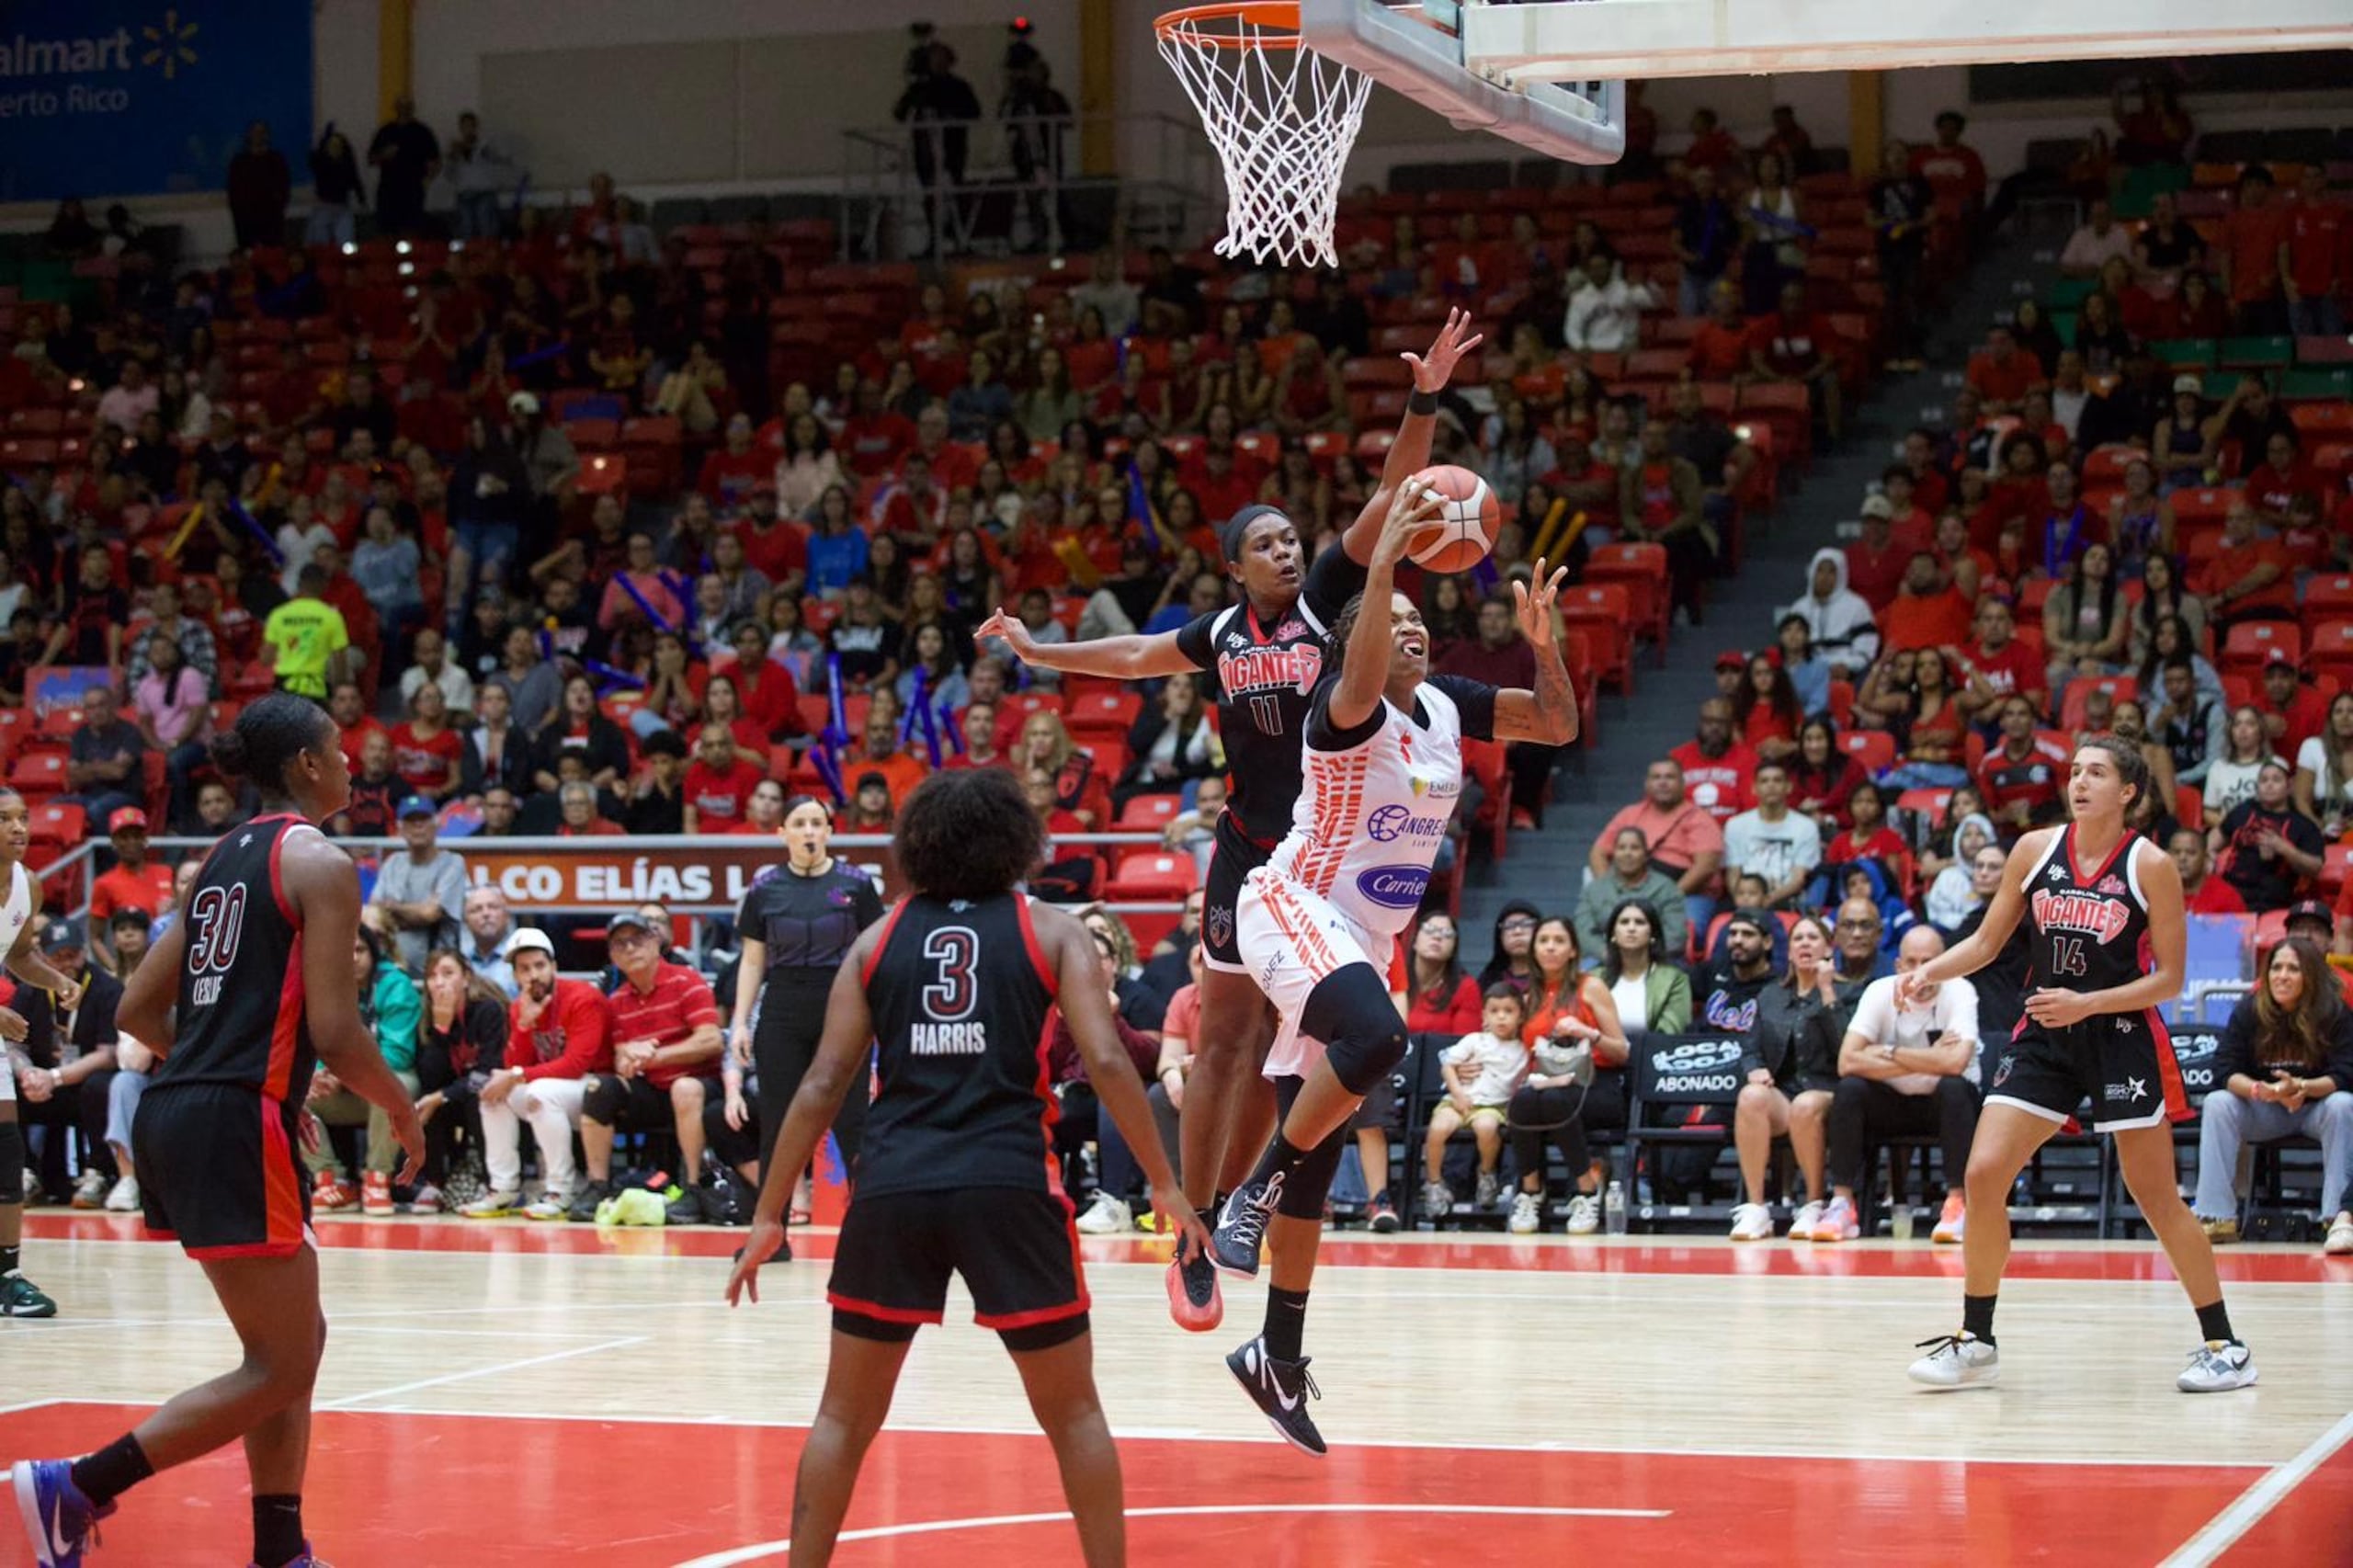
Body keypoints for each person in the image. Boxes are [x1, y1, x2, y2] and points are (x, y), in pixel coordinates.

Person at [974, 312, 1483, 1335]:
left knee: (1284, 1054)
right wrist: (1042, 653)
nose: (1288, 548)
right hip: (1253, 854)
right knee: (1226, 1042)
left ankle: (1254, 1200)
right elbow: (1128, 658)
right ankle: (1197, 1228)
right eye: (1266, 543)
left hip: (1329, 862)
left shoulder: (1330, 596)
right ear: (1234, 566)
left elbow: (1391, 496)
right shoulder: (1213, 634)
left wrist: (1423, 399)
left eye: (1292, 537)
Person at [724, 767, 1206, 1567]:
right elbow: (1112, 1065)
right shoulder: (1052, 929)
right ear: (1016, 840)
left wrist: (768, 1213)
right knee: (1075, 1414)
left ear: (917, 846)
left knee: (842, 1417)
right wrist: (1165, 1183)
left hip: (895, 1187)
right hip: (1009, 1184)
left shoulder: (874, 943)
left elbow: (818, 1084)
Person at [17, 697, 424, 1567]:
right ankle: (77, 1486)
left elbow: (136, 1007)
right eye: (339, 750)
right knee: (280, 1365)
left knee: (291, 1348)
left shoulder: (215, 862)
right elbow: (341, 1031)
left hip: (188, 1109)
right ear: (307, 767)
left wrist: (229, 1069)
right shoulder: (319, 860)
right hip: (235, 1118)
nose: (351, 763)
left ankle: (280, 1547)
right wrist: (398, 1107)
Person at [1207, 491, 1575, 1454]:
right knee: (1379, 1040)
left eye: (1421, 619)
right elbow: (1368, 633)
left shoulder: (1448, 704)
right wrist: (1381, 570)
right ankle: (1247, 1191)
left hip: (1363, 937)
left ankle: (1276, 1353)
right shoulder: (1346, 702)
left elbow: (1556, 725)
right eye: (1393, 619)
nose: (1410, 628)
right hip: (1291, 900)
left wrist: (1542, 639)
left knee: (1321, 1150)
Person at [1900, 736, 2256, 1393]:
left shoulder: (2150, 865)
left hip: (2119, 1034)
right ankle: (1977, 1337)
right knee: (1982, 1174)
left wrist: (2089, 1001)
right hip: (2046, 1032)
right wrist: (1929, 972)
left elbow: (2170, 980)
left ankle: (2225, 1343)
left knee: (2155, 1198)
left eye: (2097, 772)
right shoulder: (2034, 851)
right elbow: (1985, 941)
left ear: (2128, 792)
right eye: (2074, 770)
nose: (2080, 781)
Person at [729, 797, 885, 1225]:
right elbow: (752, 961)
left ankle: (870, 1226)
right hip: (782, 1008)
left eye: (818, 823)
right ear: (783, 833)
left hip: (843, 1008)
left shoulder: (856, 884)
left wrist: (879, 1014)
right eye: (800, 823)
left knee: (853, 1122)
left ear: (830, 832)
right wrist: (740, 1023)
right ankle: (770, 1230)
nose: (810, 831)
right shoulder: (763, 890)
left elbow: (874, 952)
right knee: (777, 1123)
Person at [1811, 926, 1983, 1244]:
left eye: (1928, 962)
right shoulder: (1879, 991)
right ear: (1899, 966)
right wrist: (1930, 1057)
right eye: (1912, 962)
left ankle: (1957, 1204)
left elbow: (1955, 1063)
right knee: (1849, 1088)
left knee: (1954, 1087)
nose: (1920, 972)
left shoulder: (1960, 991)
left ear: (1943, 962)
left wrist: (1888, 1052)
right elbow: (1847, 1061)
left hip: (1945, 1106)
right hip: (1891, 1103)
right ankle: (1841, 1205)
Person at [2191, 937, 2353, 1244]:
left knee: (2344, 1104)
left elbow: (2346, 1073)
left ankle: (2337, 1219)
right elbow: (2224, 1070)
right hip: (2264, 1108)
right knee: (2218, 1103)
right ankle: (2216, 1217)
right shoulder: (2249, 1011)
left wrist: (2302, 1087)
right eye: (2276, 967)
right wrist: (2260, 1090)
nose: (2282, 975)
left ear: (2311, 975)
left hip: (2315, 1109)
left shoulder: (2334, 1012)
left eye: (2293, 968)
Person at [564, 912, 724, 1221]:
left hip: (700, 1087)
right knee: (600, 1087)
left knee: (684, 1088)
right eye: (620, 944)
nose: (629, 949)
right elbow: (621, 1059)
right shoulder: (617, 1000)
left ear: (655, 942)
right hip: (652, 1090)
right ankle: (598, 1184)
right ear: (612, 956)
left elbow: (711, 1041)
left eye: (637, 940)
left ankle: (693, 1187)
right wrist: (628, 1056)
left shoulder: (687, 980)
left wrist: (658, 1055)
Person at [468, 929, 608, 1221]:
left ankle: (560, 1189)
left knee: (539, 1091)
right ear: (515, 976)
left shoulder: (583, 998)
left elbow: (576, 1064)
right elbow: (514, 1065)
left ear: (554, 967)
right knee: (493, 1095)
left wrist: (516, 1074)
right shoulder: (521, 1006)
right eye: (524, 969)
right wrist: (523, 1025)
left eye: (540, 966)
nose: (534, 975)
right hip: (555, 1091)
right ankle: (503, 1188)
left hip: (599, 1089)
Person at [0, 788, 76, 1318]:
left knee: (7, 1154)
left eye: (24, 817)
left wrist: (54, 979)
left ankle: (7, 1277)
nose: (19, 827)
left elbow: (20, 953)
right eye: (5, 819)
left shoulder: (27, 884)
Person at [1505, 919, 1626, 1234]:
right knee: (1522, 1101)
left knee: (1553, 1099)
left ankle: (1587, 1191)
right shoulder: (1528, 996)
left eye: (1559, 940)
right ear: (1534, 949)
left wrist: (1588, 1032)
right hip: (1545, 1086)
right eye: (1543, 940)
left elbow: (1622, 1051)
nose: (1550, 946)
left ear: (1573, 950)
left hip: (1597, 1084)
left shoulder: (1592, 987)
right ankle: (1531, 1192)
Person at [1730, 914, 1846, 1241]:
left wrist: (1826, 991)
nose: (1805, 944)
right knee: (1751, 1096)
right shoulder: (1770, 996)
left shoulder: (1849, 991)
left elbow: (1846, 1048)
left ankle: (1813, 1204)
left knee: (1805, 1105)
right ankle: (1756, 1209)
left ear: (1828, 947)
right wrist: (1754, 1068)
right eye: (1798, 939)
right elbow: (1749, 1046)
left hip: (1831, 1092)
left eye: (1813, 937)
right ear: (1789, 951)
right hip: (1784, 1093)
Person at [1420, 986, 1529, 1218]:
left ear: (1521, 1015)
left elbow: (1524, 1081)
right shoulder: (1474, 1040)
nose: (1501, 1016)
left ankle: (1487, 1174)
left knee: (1486, 1127)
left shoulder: (1523, 1049)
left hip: (1492, 1106)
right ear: (1484, 1016)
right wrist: (1458, 1093)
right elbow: (1448, 1066)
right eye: (1494, 1011)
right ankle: (1434, 1182)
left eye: (1508, 1011)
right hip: (1457, 1101)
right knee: (1437, 1128)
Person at [365, 797, 468, 973]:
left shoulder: (452, 863)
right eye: (411, 821)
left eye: (424, 819)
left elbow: (431, 914)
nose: (418, 826)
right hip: (394, 967)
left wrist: (393, 909)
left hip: (436, 970)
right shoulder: (393, 863)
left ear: (436, 824)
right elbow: (375, 912)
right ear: (400, 828)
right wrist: (418, 912)